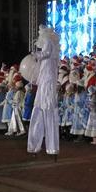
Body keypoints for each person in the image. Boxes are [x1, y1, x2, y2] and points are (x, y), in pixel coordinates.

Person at [27, 26, 61, 158]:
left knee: (46, 111)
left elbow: (45, 53)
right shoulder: (51, 44)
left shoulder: (48, 42)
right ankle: (39, 146)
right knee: (41, 112)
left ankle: (43, 147)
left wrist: (35, 54)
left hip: (47, 82)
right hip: (45, 81)